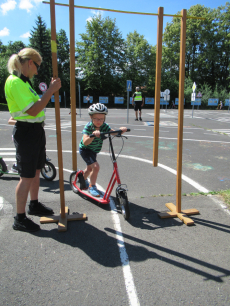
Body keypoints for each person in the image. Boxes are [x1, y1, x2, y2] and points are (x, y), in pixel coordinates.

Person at [4, 47, 61, 232]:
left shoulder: (24, 81)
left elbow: (37, 106)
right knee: (26, 176)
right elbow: (34, 110)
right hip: (26, 133)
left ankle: (34, 204)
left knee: (36, 171)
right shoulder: (15, 82)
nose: (37, 71)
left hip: (36, 131)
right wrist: (51, 90)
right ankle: (20, 219)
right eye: (37, 66)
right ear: (30, 63)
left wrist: (49, 92)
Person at [79, 103, 127, 197]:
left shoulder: (104, 126)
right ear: (91, 117)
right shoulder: (89, 127)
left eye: (101, 119)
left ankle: (82, 179)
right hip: (85, 149)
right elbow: (85, 142)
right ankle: (92, 187)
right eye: (96, 118)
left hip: (94, 150)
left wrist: (120, 131)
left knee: (89, 168)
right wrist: (92, 135)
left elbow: (112, 132)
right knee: (95, 167)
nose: (99, 121)